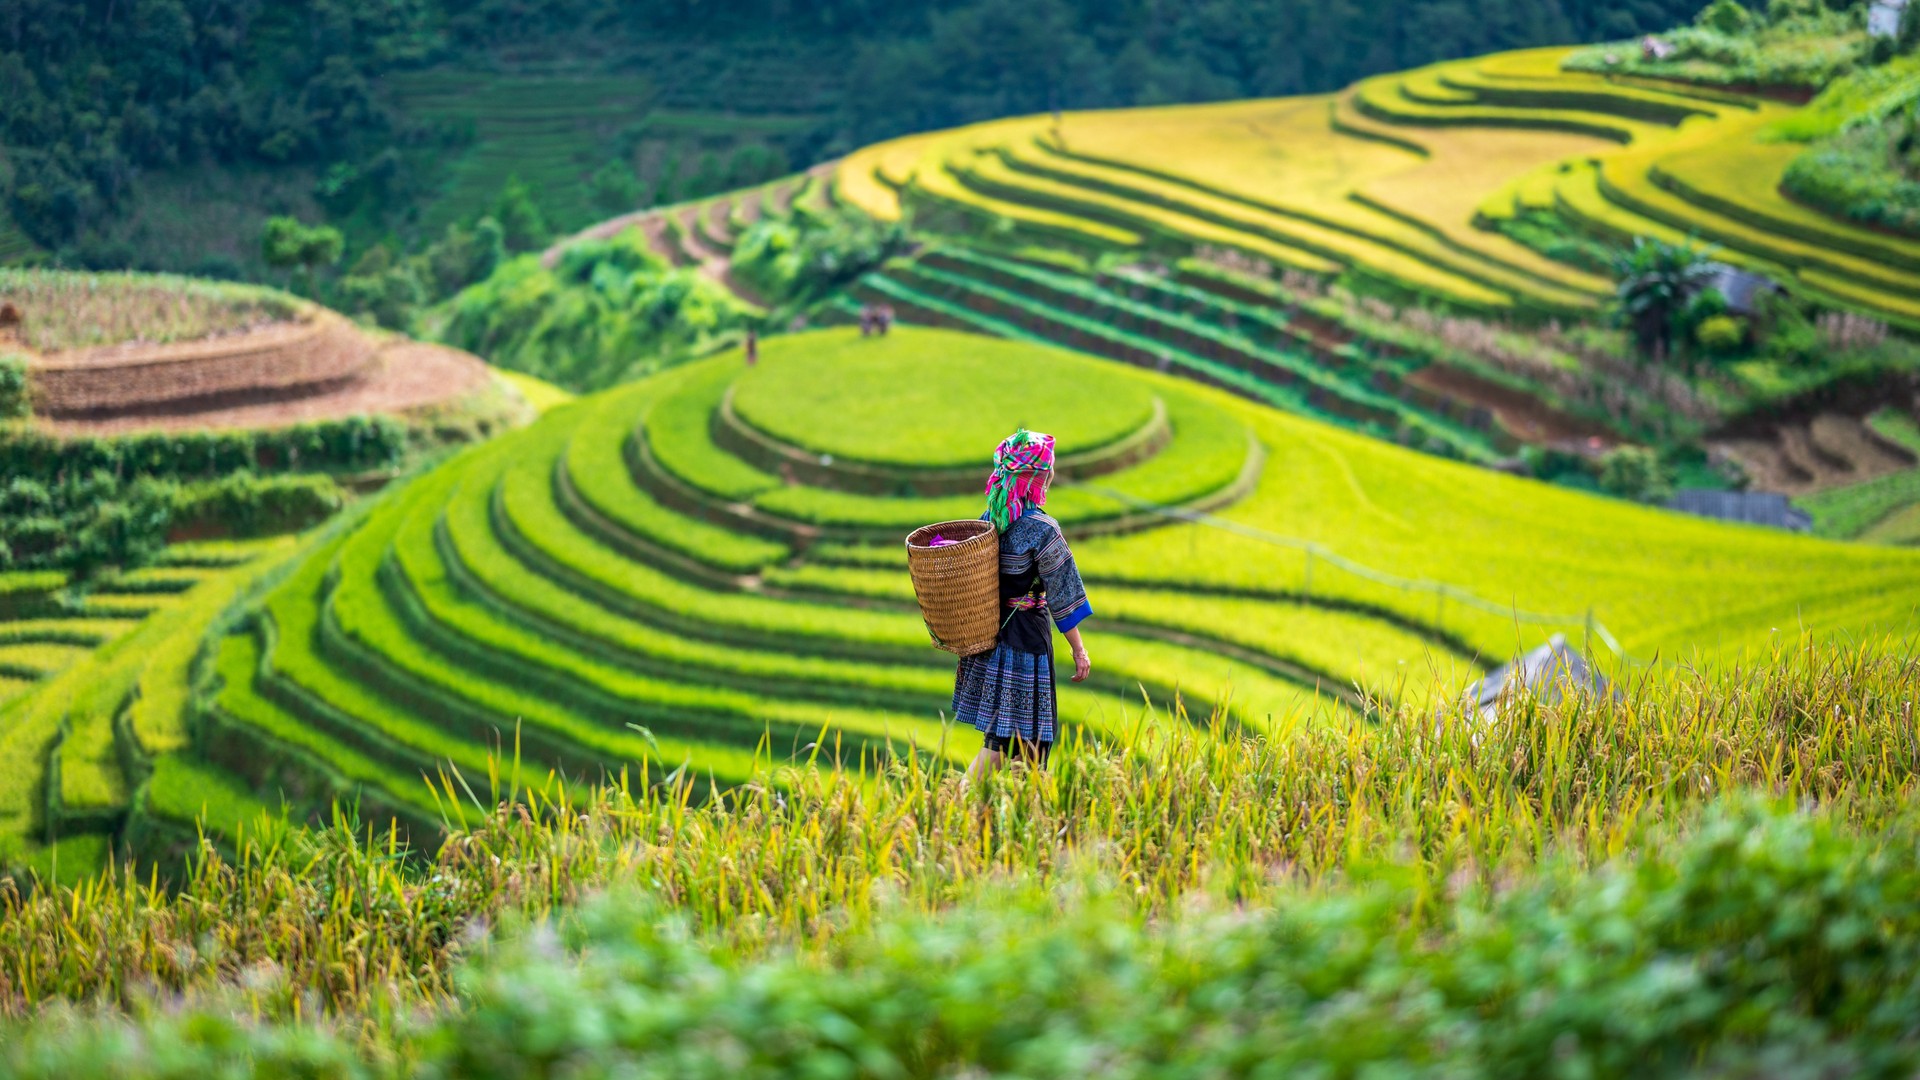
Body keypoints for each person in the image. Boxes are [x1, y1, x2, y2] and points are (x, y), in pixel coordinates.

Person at [954, 429, 1093, 779]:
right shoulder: (1042, 529)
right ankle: (959, 803)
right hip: (1028, 644)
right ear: (1037, 478)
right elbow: (1062, 592)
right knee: (1024, 744)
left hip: (993, 640)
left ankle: (994, 814)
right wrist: (1079, 649)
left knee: (1003, 738)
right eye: (1049, 471)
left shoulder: (989, 521)